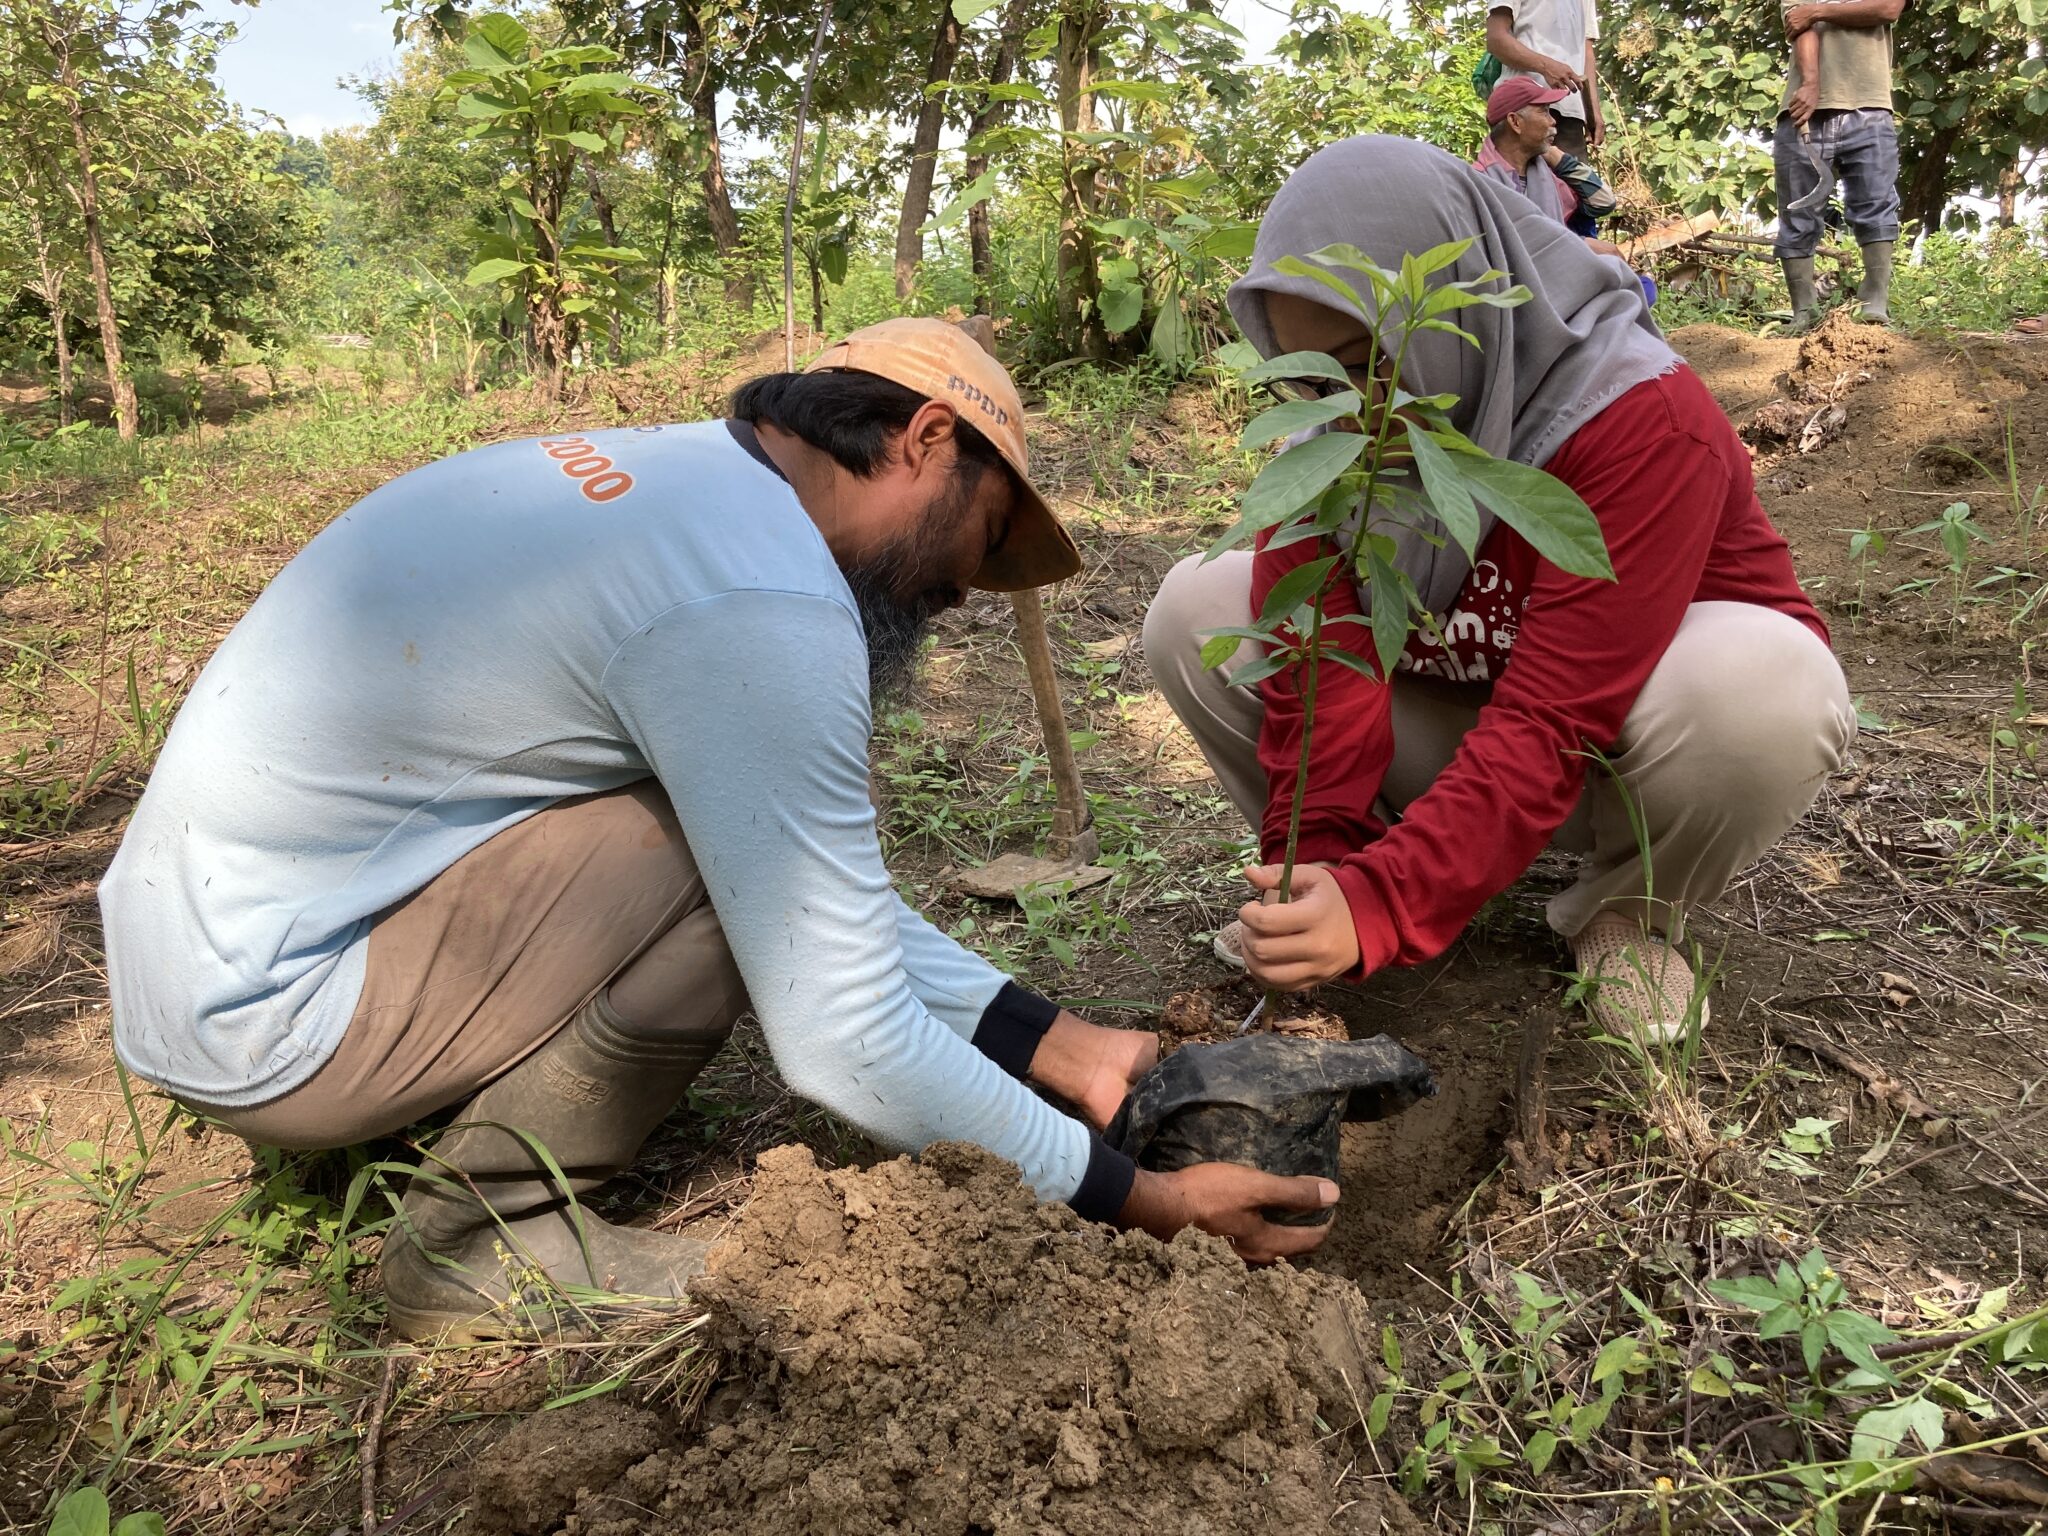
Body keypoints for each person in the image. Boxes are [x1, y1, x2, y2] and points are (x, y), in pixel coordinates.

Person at [99, 318, 1341, 1343]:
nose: (965, 590)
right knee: (719, 855)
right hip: (275, 1019)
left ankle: (432, 1101)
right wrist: (1140, 1198)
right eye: (983, 535)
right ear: (924, 438)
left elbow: (803, 888)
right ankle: (480, 1238)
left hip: (221, 949)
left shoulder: (676, 487)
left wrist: (1067, 1049)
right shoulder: (758, 601)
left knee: (743, 838)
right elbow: (841, 1028)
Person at [1143, 137, 1855, 1042]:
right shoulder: (1332, 444)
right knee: (1197, 608)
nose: (1356, 407)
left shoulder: (1641, 420)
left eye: (1371, 361)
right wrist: (1326, 875)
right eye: (1315, 374)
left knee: (1765, 689)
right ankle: (1357, 880)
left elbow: (1556, 719)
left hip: (1627, 756)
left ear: (1465, 312)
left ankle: (1625, 914)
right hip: (1462, 728)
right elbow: (1325, 670)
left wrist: (1389, 902)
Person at [1774, 0, 1906, 330]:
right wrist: (1811, 83)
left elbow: (1888, 9)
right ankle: (1804, 310)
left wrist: (1819, 11)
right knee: (1796, 212)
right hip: (1803, 110)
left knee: (1875, 203)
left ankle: (1874, 302)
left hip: (1871, 105)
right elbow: (1797, 22)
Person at [1475, 77, 1620, 247]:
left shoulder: (1546, 172)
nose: (1553, 121)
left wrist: (1559, 159)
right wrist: (1580, 245)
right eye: (1544, 111)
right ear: (1515, 122)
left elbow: (1603, 202)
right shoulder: (1480, 183)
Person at [1485, 0, 1604, 157]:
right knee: (1517, 180)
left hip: (1571, 113)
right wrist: (1545, 67)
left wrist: (1592, 110)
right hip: (1525, 108)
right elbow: (1496, 39)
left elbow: (1587, 51)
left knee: (1572, 180)